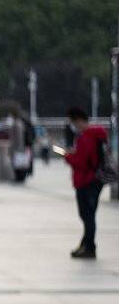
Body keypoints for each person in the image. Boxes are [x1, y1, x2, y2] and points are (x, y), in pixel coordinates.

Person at [64, 107, 107, 259]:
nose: (73, 126)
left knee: (87, 215)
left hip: (86, 181)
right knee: (89, 214)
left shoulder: (85, 138)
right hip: (96, 180)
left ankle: (89, 247)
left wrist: (68, 156)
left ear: (79, 120)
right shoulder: (98, 135)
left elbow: (81, 162)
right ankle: (85, 244)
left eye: (73, 122)